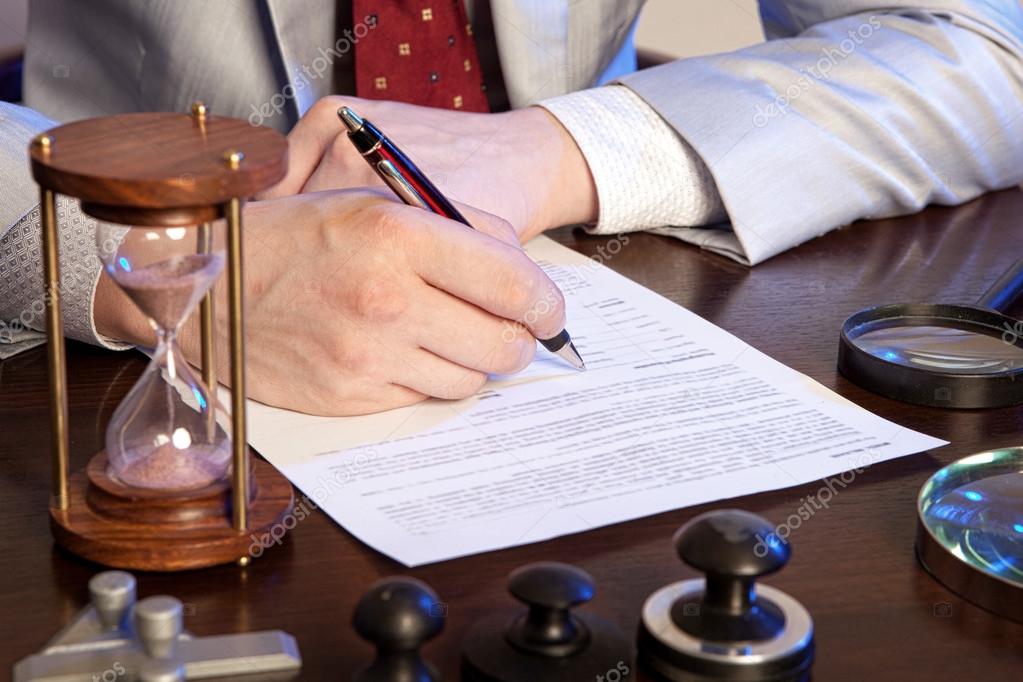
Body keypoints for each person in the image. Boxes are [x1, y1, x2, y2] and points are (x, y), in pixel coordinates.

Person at [1, 1, 1021, 416]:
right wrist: (153, 261)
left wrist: (561, 147)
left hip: (577, 281)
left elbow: (982, 43)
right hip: (90, 369)